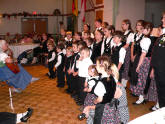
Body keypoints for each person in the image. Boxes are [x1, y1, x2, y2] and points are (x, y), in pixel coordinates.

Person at [131, 22, 153, 105]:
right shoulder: (145, 38)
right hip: (145, 60)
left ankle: (141, 98)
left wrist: (139, 65)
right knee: (142, 79)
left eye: (144, 28)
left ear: (149, 30)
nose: (142, 29)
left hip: (145, 60)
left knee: (142, 79)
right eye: (142, 28)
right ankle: (142, 97)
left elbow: (143, 54)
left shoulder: (147, 39)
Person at [151, 11, 165, 108]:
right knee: (161, 94)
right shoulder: (162, 36)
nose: (162, 20)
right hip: (159, 69)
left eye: (164, 18)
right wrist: (153, 68)